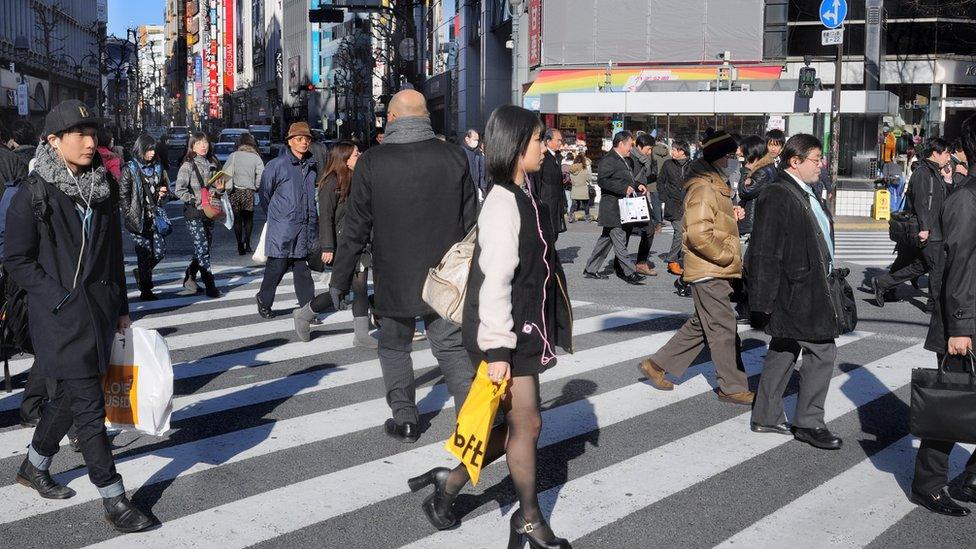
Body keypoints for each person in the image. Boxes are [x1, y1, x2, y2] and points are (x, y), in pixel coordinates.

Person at [408, 104, 571, 548]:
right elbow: (496, 280)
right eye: (538, 139)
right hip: (507, 333)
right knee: (527, 425)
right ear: (517, 146)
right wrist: (498, 349)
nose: (544, 146)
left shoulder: (522, 193)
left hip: (521, 330)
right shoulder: (503, 202)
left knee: (526, 424)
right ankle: (528, 520)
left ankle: (451, 484)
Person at [7, 100, 153, 532]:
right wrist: (58, 297)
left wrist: (123, 309)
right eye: (79, 134)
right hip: (58, 317)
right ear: (53, 141)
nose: (91, 143)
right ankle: (114, 499)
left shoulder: (102, 188)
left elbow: (112, 258)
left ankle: (33, 466)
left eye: (93, 134)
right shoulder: (32, 193)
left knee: (70, 399)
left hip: (101, 313)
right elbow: (16, 258)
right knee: (90, 407)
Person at [329, 90, 477, 442]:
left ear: (392, 119)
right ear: (426, 117)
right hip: (446, 276)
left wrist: (340, 279)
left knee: (394, 345)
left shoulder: (373, 162)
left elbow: (356, 227)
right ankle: (473, 422)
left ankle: (406, 418)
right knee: (452, 347)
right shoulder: (454, 156)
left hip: (393, 273)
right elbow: (472, 221)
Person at [637, 131, 754, 406]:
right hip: (709, 268)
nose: (733, 161)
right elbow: (699, 235)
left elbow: (712, 221)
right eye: (729, 155)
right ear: (718, 157)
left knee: (703, 323)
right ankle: (732, 387)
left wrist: (731, 213)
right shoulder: (704, 187)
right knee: (723, 328)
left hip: (711, 268)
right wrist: (726, 256)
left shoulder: (713, 183)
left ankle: (657, 365)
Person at [748, 133, 843, 450]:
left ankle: (766, 415)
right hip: (797, 289)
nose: (821, 165)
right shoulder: (777, 193)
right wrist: (761, 302)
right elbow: (764, 251)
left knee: (785, 346)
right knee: (822, 351)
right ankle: (808, 422)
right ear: (795, 161)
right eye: (816, 160)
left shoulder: (804, 190)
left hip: (808, 285)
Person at [916, 113, 976, 517]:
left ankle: (972, 476)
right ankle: (929, 483)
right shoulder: (967, 198)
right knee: (950, 404)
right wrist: (960, 325)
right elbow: (961, 266)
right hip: (967, 319)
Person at [293, 141, 376, 348]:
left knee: (359, 287)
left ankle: (361, 334)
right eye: (356, 154)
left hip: (361, 241)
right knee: (340, 289)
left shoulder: (360, 177)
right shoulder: (331, 182)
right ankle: (304, 314)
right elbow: (326, 218)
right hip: (343, 243)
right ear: (345, 159)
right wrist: (328, 247)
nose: (360, 156)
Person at [872, 138, 953, 312]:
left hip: (933, 228)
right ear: (935, 153)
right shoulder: (923, 173)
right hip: (929, 229)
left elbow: (942, 199)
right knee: (936, 267)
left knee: (921, 266)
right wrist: (925, 228)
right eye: (946, 153)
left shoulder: (935, 172)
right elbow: (922, 203)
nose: (949, 157)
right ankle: (933, 306)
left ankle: (883, 283)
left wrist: (947, 179)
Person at [255, 122, 319, 318]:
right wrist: (276, 216)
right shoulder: (276, 165)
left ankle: (308, 311)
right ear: (290, 141)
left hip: (304, 225)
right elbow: (264, 193)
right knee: (277, 266)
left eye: (307, 139)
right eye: (299, 139)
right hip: (282, 226)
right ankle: (264, 300)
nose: (304, 142)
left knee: (302, 269)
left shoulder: (311, 165)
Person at [582, 130, 646, 285]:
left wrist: (637, 185)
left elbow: (626, 180)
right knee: (620, 239)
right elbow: (603, 181)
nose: (631, 148)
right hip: (612, 208)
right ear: (621, 143)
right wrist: (623, 188)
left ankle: (591, 269)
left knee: (606, 240)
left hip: (622, 207)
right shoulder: (609, 159)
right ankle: (630, 272)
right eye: (629, 145)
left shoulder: (625, 160)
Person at [119, 133, 171, 301]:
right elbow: (123, 195)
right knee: (143, 253)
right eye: (148, 150)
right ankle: (146, 289)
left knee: (160, 251)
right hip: (138, 218)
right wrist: (129, 214)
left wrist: (164, 193)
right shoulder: (130, 169)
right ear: (140, 150)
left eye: (153, 150)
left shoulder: (158, 167)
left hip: (154, 217)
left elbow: (165, 188)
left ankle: (142, 273)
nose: (152, 153)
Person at [174, 131, 222, 298]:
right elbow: (179, 190)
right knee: (202, 248)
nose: (203, 146)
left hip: (210, 211)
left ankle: (190, 276)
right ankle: (210, 285)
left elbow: (219, 187)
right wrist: (195, 199)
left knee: (204, 247)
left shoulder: (214, 163)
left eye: (205, 142)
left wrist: (220, 190)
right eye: (199, 143)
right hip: (194, 212)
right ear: (192, 146)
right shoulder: (187, 165)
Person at [223, 132, 265, 255]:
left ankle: (239, 244)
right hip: (248, 192)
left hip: (235, 191)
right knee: (249, 219)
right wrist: (256, 186)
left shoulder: (233, 156)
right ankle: (248, 242)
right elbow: (261, 175)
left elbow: (224, 173)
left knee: (237, 219)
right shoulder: (256, 157)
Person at [659, 139, 693, 276]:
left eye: (674, 149)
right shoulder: (668, 164)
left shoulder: (693, 165)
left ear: (682, 151)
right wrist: (664, 197)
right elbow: (661, 181)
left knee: (687, 234)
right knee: (679, 231)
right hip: (673, 204)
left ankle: (684, 260)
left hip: (689, 204)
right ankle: (672, 260)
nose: (672, 152)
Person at [627, 132, 658, 276]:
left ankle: (641, 262)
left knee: (649, 229)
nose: (650, 152)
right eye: (648, 149)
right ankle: (620, 263)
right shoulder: (629, 157)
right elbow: (625, 177)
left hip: (640, 198)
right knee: (625, 231)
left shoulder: (645, 159)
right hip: (630, 199)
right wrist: (637, 184)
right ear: (639, 146)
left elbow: (649, 175)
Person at [736, 135, 775, 238]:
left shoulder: (763, 171)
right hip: (755, 225)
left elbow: (744, 191)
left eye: (744, 156)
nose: (743, 159)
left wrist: (746, 171)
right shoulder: (764, 168)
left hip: (753, 226)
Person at [537, 128, 567, 240]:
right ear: (548, 141)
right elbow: (537, 180)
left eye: (561, 140)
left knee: (555, 234)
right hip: (546, 202)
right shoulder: (543, 157)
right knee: (547, 235)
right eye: (558, 140)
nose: (560, 143)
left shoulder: (557, 157)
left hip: (557, 202)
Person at [462, 129, 487, 199]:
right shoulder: (461, 152)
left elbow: (480, 171)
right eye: (475, 139)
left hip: (476, 187)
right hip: (467, 190)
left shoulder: (476, 153)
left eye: (478, 140)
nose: (477, 142)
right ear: (467, 139)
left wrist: (481, 186)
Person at [568, 153, 593, 222]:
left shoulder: (571, 169)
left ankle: (571, 217)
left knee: (573, 204)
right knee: (586, 204)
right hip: (583, 189)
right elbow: (589, 179)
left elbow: (571, 179)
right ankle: (587, 217)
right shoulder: (584, 169)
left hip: (575, 188)